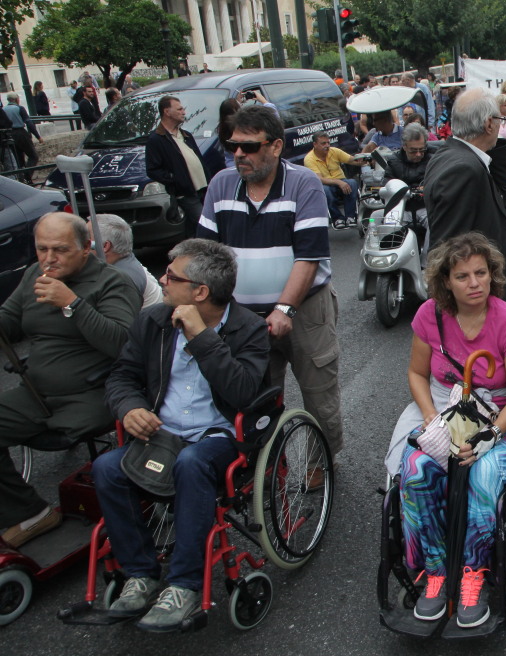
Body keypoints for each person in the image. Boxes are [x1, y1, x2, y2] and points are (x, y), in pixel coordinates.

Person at [94, 239, 269, 631]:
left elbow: (242, 392)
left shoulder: (249, 329)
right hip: (162, 430)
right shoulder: (153, 319)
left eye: (171, 276)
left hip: (218, 436)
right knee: (106, 467)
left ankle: (185, 585)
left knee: (191, 465)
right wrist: (130, 407)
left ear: (200, 292)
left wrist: (200, 336)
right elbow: (122, 376)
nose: (162, 280)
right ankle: (140, 573)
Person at [386, 233, 506, 628]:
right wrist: (433, 419)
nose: (475, 283)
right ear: (445, 281)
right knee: (415, 471)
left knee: (483, 475)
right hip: (445, 407)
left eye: (482, 273)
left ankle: (473, 573)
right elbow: (417, 374)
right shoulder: (429, 315)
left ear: (493, 275)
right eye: (464, 275)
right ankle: (435, 572)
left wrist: (490, 436)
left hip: (498, 412)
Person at [196, 105, 345, 459]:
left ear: (275, 146)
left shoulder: (302, 183)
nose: (238, 154)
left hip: (305, 309)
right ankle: (263, 464)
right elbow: (205, 253)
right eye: (232, 145)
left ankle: (319, 460)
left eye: (249, 147)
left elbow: (308, 257)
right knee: (253, 395)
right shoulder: (220, 185)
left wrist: (283, 308)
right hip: (243, 317)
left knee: (318, 389)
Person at [0, 213, 141, 548]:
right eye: (42, 249)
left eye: (60, 250)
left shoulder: (112, 283)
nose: (49, 259)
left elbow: (122, 343)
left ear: (86, 248)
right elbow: (10, 321)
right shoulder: (35, 274)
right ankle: (30, 512)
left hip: (91, 395)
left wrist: (73, 304)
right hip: (37, 393)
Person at [424, 88, 506, 301]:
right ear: (488, 124)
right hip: (474, 301)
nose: (500, 126)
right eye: (499, 120)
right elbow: (449, 247)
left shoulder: (449, 155)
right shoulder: (465, 169)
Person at [146, 96, 220, 239]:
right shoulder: (156, 139)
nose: (184, 112)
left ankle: (192, 254)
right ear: (167, 112)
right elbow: (153, 170)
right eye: (179, 109)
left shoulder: (185, 135)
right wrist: (175, 179)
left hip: (202, 190)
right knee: (205, 225)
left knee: (193, 230)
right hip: (186, 193)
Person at [92, 214, 163, 307]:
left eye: (85, 238)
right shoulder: (123, 262)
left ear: (105, 246)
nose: (80, 243)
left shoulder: (122, 280)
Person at [304, 131, 362, 230]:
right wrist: (338, 182)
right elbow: (320, 179)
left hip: (341, 181)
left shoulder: (334, 151)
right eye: (323, 143)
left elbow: (352, 160)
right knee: (325, 190)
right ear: (315, 144)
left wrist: (365, 160)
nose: (327, 146)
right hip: (327, 184)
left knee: (352, 183)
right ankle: (337, 218)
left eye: (328, 143)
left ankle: (350, 217)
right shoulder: (309, 159)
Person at [4, 93, 42, 171]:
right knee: (33, 157)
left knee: (18, 159)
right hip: (20, 133)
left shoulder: (3, 110)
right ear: (16, 99)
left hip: (9, 135)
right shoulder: (19, 108)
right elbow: (29, 123)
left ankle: (21, 176)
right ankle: (27, 175)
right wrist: (38, 136)